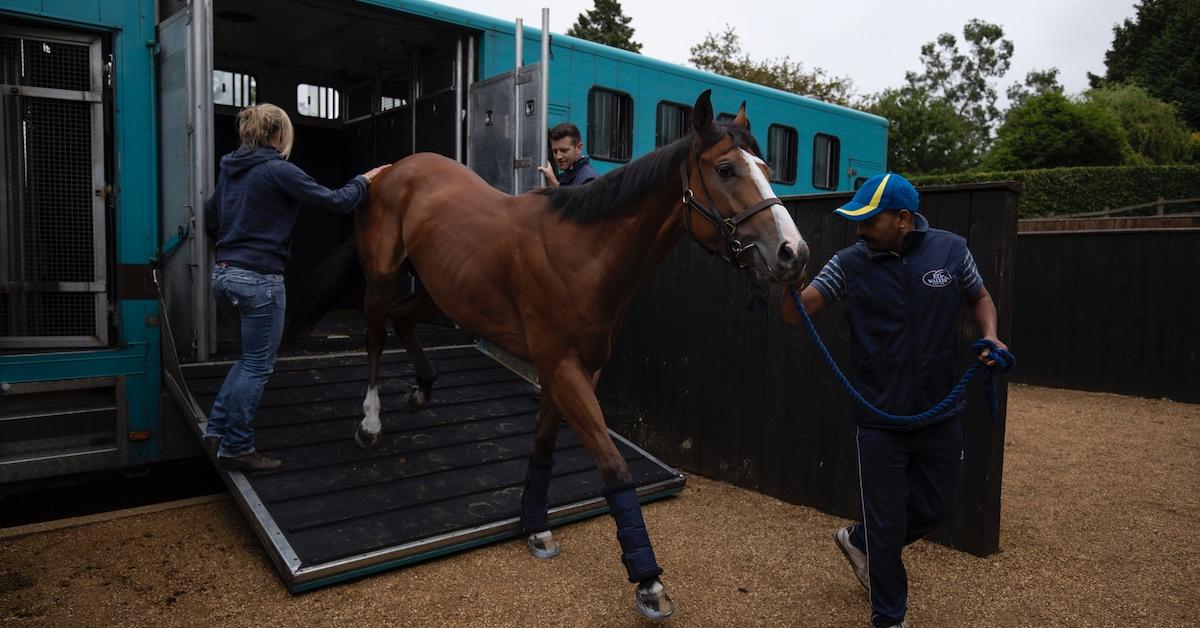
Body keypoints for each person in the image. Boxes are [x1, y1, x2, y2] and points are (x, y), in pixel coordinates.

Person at [780, 173, 1008, 628]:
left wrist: (991, 336)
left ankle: (861, 541)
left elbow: (979, 296)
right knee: (888, 525)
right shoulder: (848, 263)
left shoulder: (951, 250)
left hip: (940, 410)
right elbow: (795, 312)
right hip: (879, 416)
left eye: (869, 220)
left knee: (938, 506)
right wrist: (786, 281)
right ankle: (889, 617)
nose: (859, 229)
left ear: (903, 219)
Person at [204, 103, 388, 472]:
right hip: (259, 280)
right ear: (277, 135)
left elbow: (211, 218)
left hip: (224, 275)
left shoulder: (230, 169)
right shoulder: (277, 170)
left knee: (247, 361)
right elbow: (336, 201)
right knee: (257, 365)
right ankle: (237, 446)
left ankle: (216, 429)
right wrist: (365, 180)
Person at [537, 122, 598, 187]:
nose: (558, 157)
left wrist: (554, 184)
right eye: (555, 151)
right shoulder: (563, 177)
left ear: (579, 148)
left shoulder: (589, 181)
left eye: (564, 151)